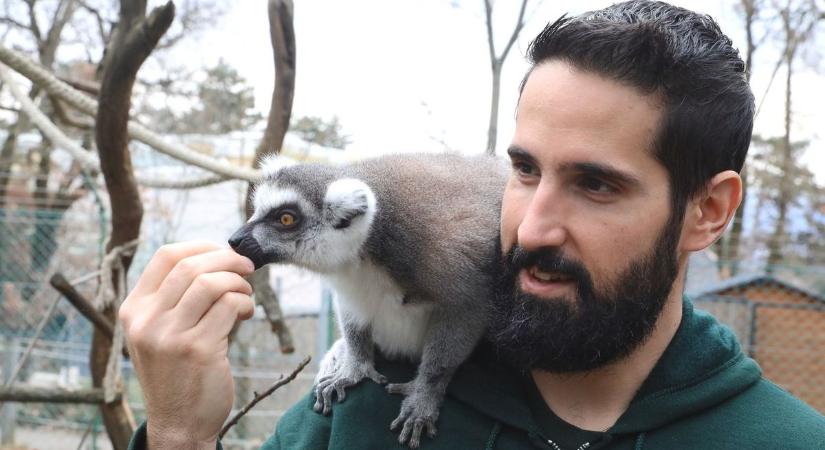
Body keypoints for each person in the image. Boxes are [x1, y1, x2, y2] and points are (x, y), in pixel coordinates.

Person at [123, 1, 825, 449]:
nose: (529, 227)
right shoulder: (363, 407)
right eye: (523, 171)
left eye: (596, 185)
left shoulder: (773, 440)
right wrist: (182, 435)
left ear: (707, 212)